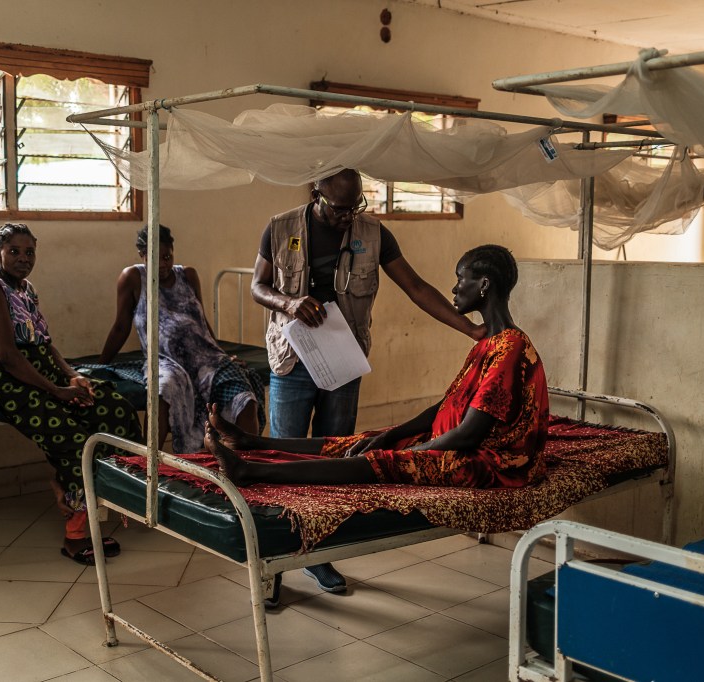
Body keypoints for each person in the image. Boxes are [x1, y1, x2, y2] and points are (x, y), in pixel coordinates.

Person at [251, 168, 486, 600]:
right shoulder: (280, 227)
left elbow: (415, 286)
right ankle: (273, 563)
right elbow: (258, 286)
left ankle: (317, 554)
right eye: (339, 208)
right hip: (291, 358)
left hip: (343, 359)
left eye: (355, 206)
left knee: (335, 452)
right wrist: (288, 302)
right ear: (315, 190)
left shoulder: (375, 235)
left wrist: (468, 329)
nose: (347, 217)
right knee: (284, 455)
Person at [208, 244, 548, 495]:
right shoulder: (489, 344)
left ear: (484, 285)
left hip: (490, 462)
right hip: (461, 444)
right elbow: (448, 407)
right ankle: (251, 441)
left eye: (461, 280)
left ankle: (249, 470)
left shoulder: (510, 349)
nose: (454, 288)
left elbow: (470, 434)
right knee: (364, 441)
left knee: (380, 459)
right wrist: (392, 434)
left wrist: (409, 451)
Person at [0, 223, 142, 565]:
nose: (22, 258)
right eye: (14, 251)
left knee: (112, 407)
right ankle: (76, 535)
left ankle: (99, 495)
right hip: (8, 379)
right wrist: (56, 391)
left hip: (40, 369)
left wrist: (74, 377)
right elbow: (7, 355)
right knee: (73, 437)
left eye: (29, 251)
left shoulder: (27, 289)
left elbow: (46, 345)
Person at [98, 225, 265, 454]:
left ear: (173, 251)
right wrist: (102, 364)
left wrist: (221, 354)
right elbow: (120, 327)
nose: (162, 264)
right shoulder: (133, 278)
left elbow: (202, 322)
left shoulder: (188, 275)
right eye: (155, 258)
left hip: (206, 358)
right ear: (142, 255)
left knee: (245, 397)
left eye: (167, 257)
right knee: (164, 389)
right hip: (166, 360)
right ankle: (150, 466)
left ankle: (248, 464)